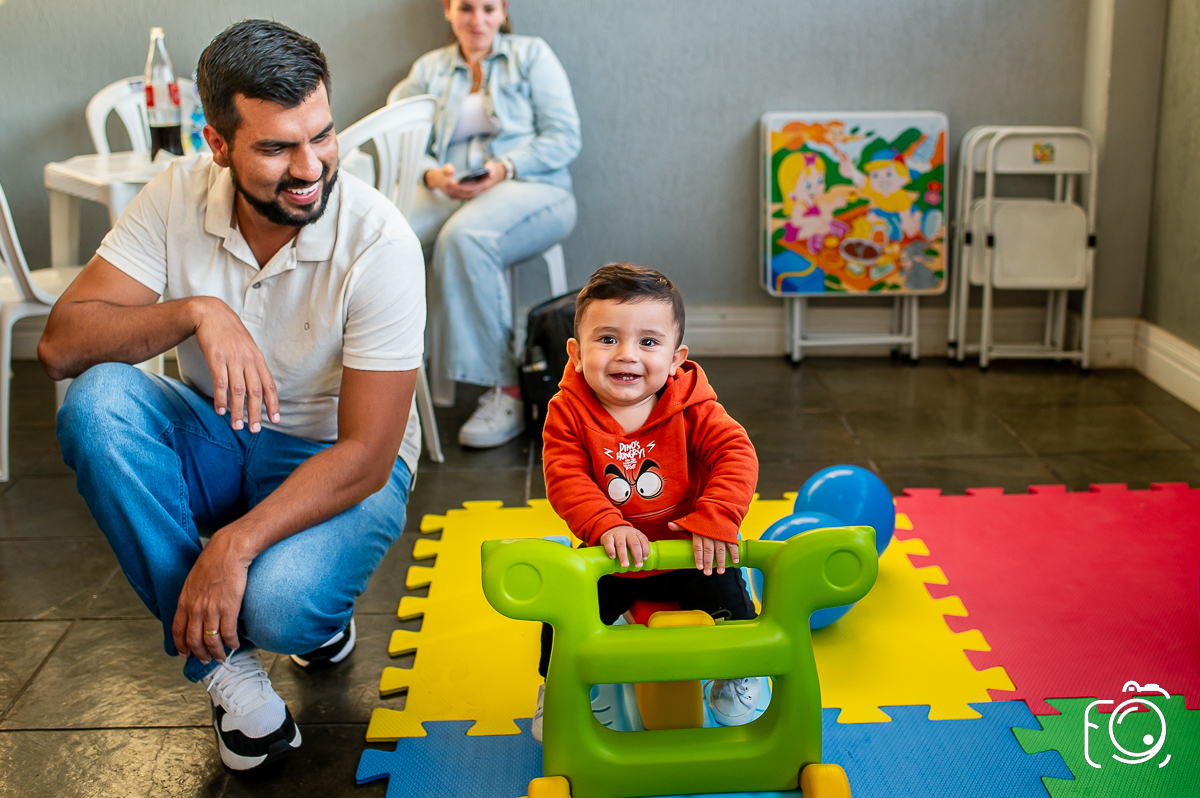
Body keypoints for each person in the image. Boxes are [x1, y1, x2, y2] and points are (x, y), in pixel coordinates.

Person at [37, 20, 426, 772]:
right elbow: (60, 347)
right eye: (277, 148)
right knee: (97, 403)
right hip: (222, 434)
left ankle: (312, 616)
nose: (310, 167)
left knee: (276, 607)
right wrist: (195, 312)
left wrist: (234, 544)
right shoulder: (175, 194)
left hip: (337, 460)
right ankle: (224, 670)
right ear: (216, 144)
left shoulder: (380, 240)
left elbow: (370, 454)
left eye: (322, 135)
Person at [533, 263, 761, 740]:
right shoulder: (567, 410)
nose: (627, 356)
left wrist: (716, 517)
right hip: (610, 554)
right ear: (576, 352)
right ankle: (557, 684)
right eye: (608, 339)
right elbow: (565, 477)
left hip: (689, 549)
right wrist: (604, 524)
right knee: (565, 610)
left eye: (649, 342)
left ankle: (738, 673)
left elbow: (734, 453)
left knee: (733, 602)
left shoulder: (693, 404)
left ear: (677, 357)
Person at [393, 0, 581, 449]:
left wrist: (504, 167)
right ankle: (380, 381)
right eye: (466, 8)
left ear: (503, 11)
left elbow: (564, 136)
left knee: (466, 237)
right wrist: (429, 172)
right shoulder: (428, 69)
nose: (476, 20)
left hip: (532, 188)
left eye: (487, 8)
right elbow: (402, 134)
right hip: (447, 190)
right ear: (447, 10)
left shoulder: (531, 55)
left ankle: (506, 390)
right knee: (383, 233)